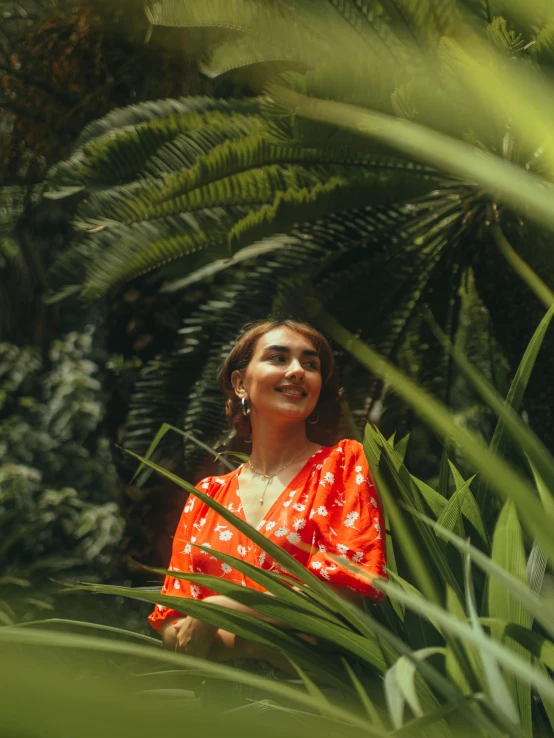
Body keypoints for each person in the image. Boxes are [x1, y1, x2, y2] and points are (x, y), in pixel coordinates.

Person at [148, 318, 387, 676]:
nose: (297, 371)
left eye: (311, 364)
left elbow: (341, 601)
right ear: (240, 382)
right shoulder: (206, 498)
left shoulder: (340, 467)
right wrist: (269, 643)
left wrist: (222, 608)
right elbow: (173, 625)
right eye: (278, 358)